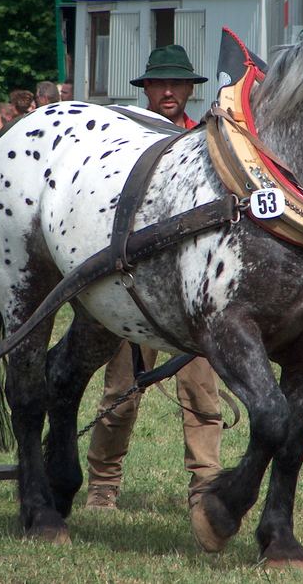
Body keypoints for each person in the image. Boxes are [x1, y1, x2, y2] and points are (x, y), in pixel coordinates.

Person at [85, 44, 221, 511]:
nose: (167, 91)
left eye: (176, 84)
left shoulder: (210, 142)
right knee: (120, 396)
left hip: (194, 292)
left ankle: (205, 489)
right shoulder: (130, 140)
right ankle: (102, 486)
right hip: (137, 288)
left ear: (188, 89)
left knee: (203, 395)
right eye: (159, 84)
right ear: (146, 90)